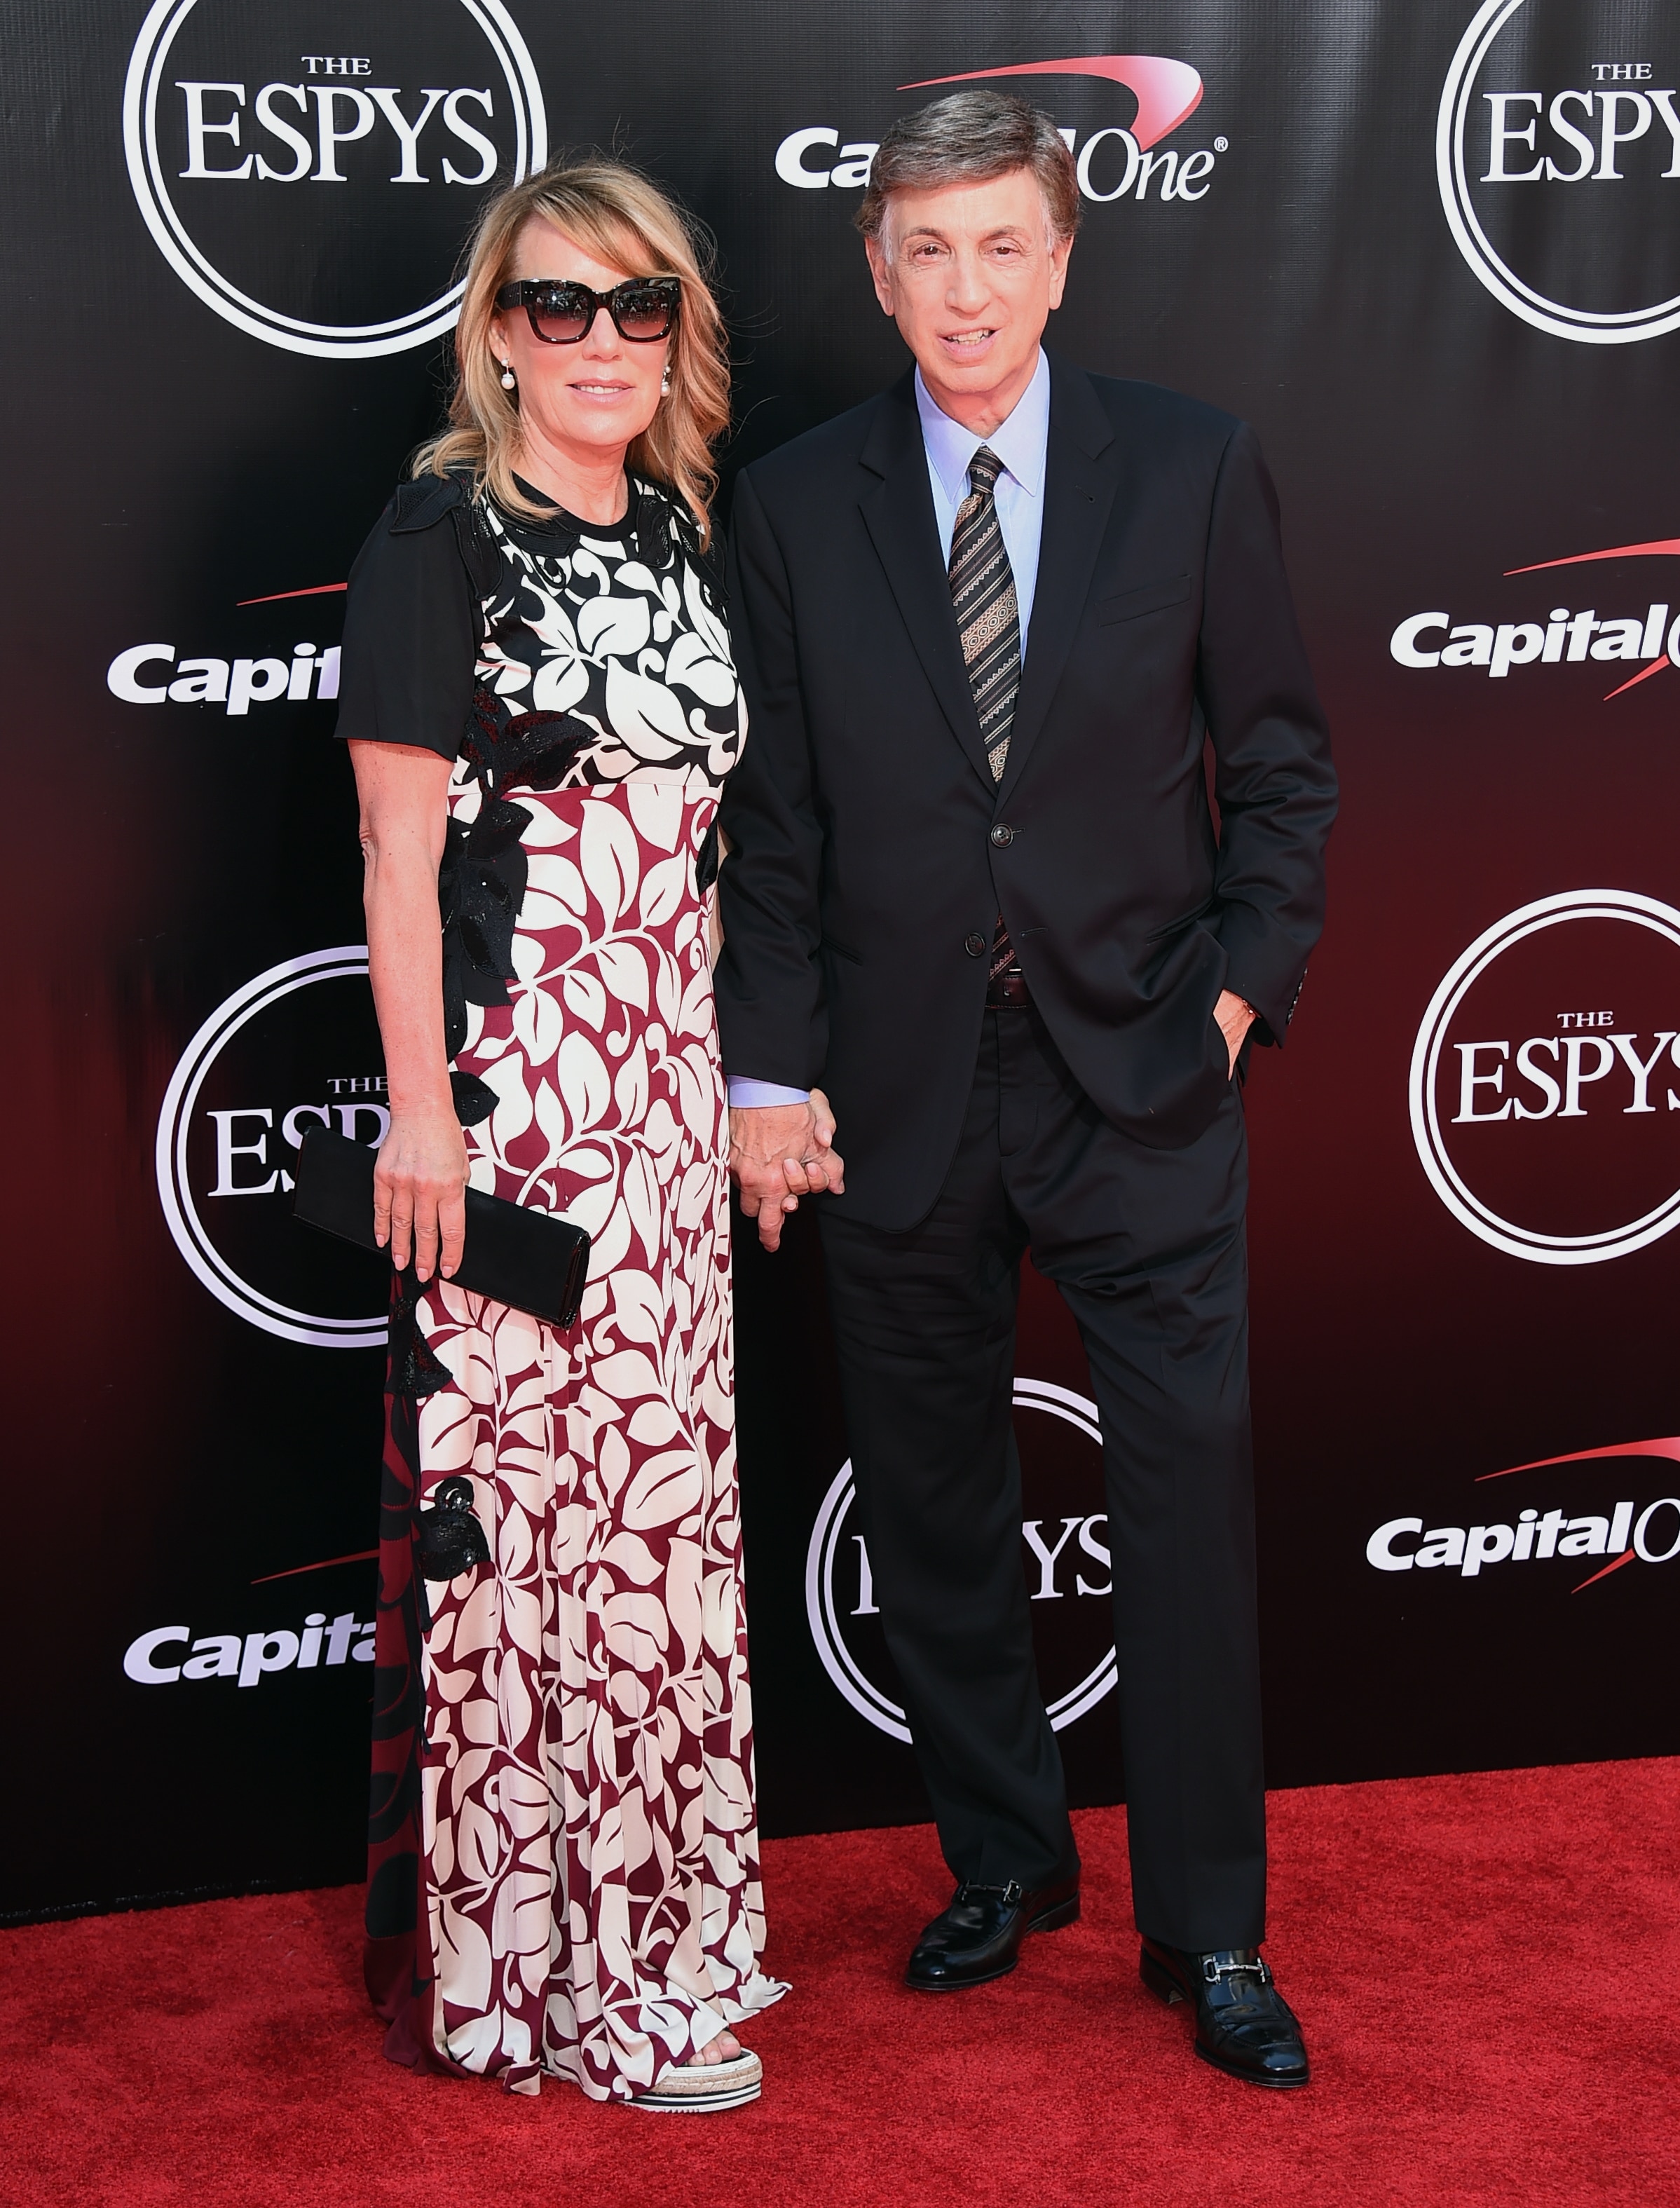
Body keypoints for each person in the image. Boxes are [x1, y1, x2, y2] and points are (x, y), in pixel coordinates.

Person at [716, 92, 1337, 2089]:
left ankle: (1212, 1929)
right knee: (937, 1508)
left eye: (1003, 246)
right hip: (897, 1085)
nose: (964, 288)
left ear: (1062, 260)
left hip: (1139, 1068)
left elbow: (1284, 766)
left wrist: (1232, 1002)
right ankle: (1001, 1864)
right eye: (927, 250)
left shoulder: (1192, 465)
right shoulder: (799, 503)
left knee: (1181, 1507)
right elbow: (781, 824)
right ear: (876, 268)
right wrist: (770, 1070)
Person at [335, 156, 798, 2109]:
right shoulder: (443, 536)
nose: (595, 342)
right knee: (535, 1537)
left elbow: (720, 853)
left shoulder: (687, 532)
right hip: (521, 1103)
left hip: (671, 1109)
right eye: (554, 305)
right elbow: (397, 850)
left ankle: (671, 1942)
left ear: (679, 330)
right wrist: (425, 1111)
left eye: (636, 307)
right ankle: (548, 1987)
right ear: (496, 330)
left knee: (662, 1532)